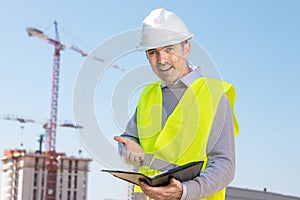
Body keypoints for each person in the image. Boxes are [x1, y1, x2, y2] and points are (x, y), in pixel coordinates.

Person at [114, 8, 239, 200]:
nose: (161, 60)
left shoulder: (215, 95)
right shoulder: (148, 94)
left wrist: (185, 191)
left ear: (186, 48)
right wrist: (128, 149)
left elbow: (224, 164)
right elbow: (129, 140)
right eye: (152, 52)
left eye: (169, 49)